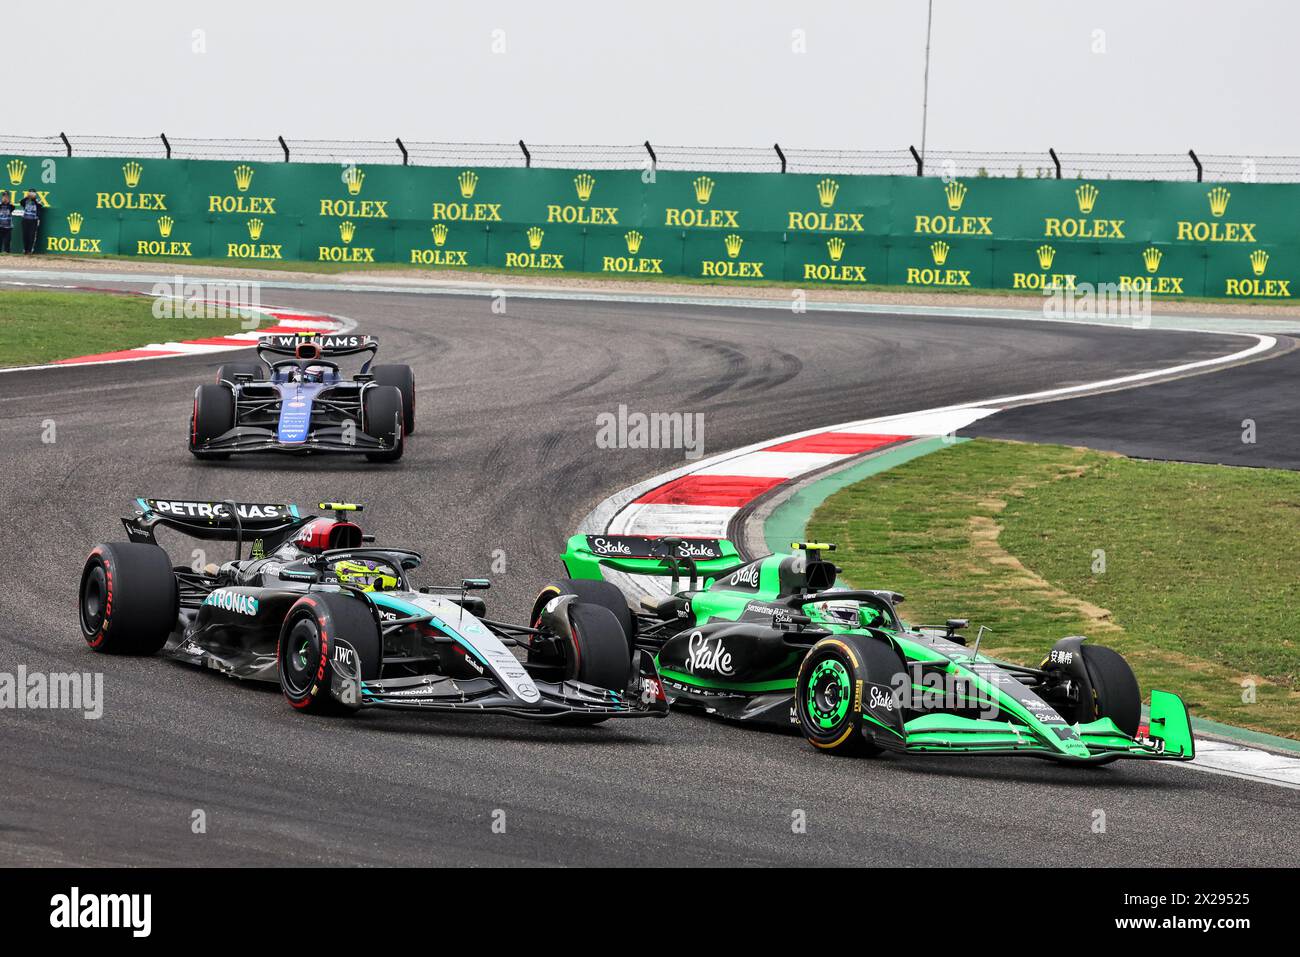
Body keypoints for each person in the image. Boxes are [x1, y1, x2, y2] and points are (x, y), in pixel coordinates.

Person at [19, 188, 42, 254]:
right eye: (30, 193)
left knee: (31, 235)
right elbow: (21, 203)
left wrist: (34, 199)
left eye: (32, 193)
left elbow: (39, 206)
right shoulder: (25, 200)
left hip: (33, 220)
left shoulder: (37, 200)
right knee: (25, 235)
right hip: (25, 219)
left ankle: (30, 250)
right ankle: (25, 249)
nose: (31, 194)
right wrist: (27, 197)